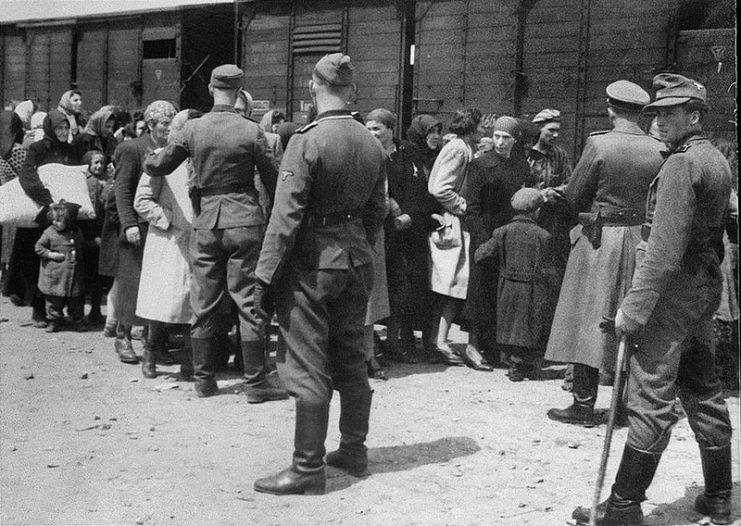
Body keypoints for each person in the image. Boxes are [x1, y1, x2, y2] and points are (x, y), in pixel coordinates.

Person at [571, 74, 734, 526]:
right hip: (702, 293)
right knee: (702, 388)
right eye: (656, 112)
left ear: (694, 115)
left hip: (669, 298)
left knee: (650, 396)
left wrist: (633, 310)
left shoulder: (682, 165)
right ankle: (720, 496)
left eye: (670, 112)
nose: (659, 120)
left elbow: (662, 250)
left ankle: (623, 507)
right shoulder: (715, 158)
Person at [252, 53, 386, 495]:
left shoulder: (306, 139)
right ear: (350, 91)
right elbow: (375, 212)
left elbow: (284, 216)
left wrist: (265, 276)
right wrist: (358, 247)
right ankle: (354, 451)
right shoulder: (371, 140)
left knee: (308, 363)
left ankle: (308, 468)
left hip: (313, 265)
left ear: (314, 86)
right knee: (351, 356)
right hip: (357, 261)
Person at [144, 65, 285, 403]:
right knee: (249, 303)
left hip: (206, 222)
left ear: (210, 88)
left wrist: (149, 159)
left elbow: (160, 166)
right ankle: (255, 384)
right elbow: (273, 180)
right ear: (239, 91)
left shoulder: (192, 128)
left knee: (204, 303)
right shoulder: (252, 131)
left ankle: (204, 381)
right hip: (245, 221)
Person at [545, 81, 665, 426]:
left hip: (600, 239)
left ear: (610, 108)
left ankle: (583, 405)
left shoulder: (598, 143)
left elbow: (574, 197)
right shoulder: (657, 148)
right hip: (642, 239)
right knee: (631, 319)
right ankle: (625, 407)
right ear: (641, 112)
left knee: (588, 318)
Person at [106, 100, 177, 366]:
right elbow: (122, 191)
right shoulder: (131, 149)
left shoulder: (171, 150)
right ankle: (122, 336)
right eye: (165, 125)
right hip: (137, 229)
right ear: (150, 125)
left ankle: (154, 343)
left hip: (160, 229)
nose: (169, 129)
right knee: (132, 286)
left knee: (157, 288)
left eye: (172, 124)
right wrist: (129, 224)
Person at [464, 116, 535, 370]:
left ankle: (497, 347)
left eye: (506, 137)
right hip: (485, 236)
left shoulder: (520, 167)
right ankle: (472, 346)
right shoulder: (480, 165)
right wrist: (484, 239)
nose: (501, 142)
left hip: (510, 238)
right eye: (497, 136)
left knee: (502, 293)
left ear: (515, 140)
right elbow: (470, 208)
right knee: (480, 290)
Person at [135, 109, 202, 379]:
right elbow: (142, 201)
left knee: (192, 302)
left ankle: (189, 360)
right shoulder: (163, 160)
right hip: (167, 241)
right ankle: (150, 354)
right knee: (161, 303)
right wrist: (170, 218)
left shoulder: (202, 161)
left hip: (196, 241)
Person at [5, 110, 79, 327]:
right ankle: (38, 310)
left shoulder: (71, 150)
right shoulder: (38, 148)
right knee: (38, 262)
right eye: (59, 128)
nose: (64, 132)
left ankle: (56, 310)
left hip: (65, 215)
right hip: (43, 213)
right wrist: (47, 200)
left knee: (63, 262)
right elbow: (27, 176)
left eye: (66, 128)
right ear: (50, 129)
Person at [474, 187, 557, 380]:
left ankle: (513, 362)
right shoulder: (543, 235)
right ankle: (521, 365)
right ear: (537, 211)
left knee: (510, 325)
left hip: (507, 287)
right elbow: (549, 267)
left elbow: (481, 255)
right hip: (532, 288)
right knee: (527, 325)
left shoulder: (502, 232)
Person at [427, 108, 482, 366]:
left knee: (449, 284)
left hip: (455, 221)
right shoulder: (459, 149)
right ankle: (439, 341)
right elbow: (438, 187)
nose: (484, 131)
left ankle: (438, 340)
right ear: (471, 127)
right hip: (454, 223)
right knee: (452, 285)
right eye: (481, 126)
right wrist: (462, 205)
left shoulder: (460, 146)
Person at [527, 108, 573, 270]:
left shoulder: (560, 155)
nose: (556, 135)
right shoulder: (526, 155)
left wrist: (548, 194)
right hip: (526, 218)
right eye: (551, 130)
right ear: (539, 129)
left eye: (558, 131)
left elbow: (569, 185)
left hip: (550, 220)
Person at [34, 201, 86, 332]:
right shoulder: (49, 233)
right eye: (53, 220)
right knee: (53, 301)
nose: (54, 223)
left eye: (58, 221)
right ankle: (54, 321)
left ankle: (77, 320)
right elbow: (38, 247)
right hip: (55, 277)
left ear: (69, 222)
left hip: (74, 277)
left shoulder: (77, 233)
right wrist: (50, 254)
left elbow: (82, 245)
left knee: (76, 302)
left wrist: (94, 243)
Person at [79, 151, 109, 325]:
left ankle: (94, 311)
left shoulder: (103, 181)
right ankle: (86, 312)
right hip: (90, 233)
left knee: (94, 277)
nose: (99, 166)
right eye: (96, 163)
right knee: (89, 277)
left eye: (102, 163)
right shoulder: (90, 182)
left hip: (97, 234)